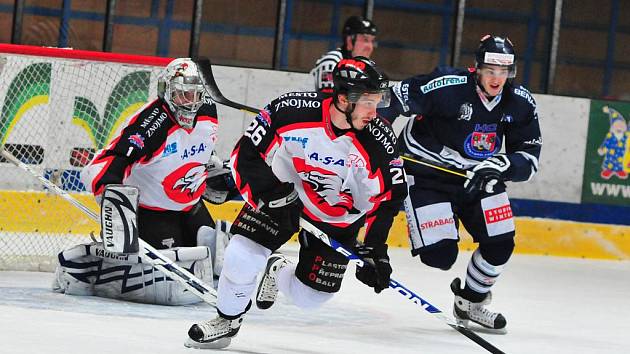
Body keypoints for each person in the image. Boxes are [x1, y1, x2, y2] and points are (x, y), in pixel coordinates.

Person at [184, 57, 408, 349]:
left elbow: (391, 198)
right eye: (368, 102)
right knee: (241, 257)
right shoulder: (290, 109)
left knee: (310, 298)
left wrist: (376, 251)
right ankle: (227, 320)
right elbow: (245, 156)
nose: (374, 111)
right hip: (281, 196)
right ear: (343, 99)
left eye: (377, 102)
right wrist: (273, 195)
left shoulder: (379, 140)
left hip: (337, 217)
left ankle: (279, 270)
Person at [377, 35, 542, 332]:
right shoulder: (447, 85)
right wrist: (376, 133)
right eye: (491, 70)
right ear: (477, 68)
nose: (496, 78)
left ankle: (469, 303)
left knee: (501, 244)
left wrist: (503, 165)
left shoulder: (519, 102)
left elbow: (529, 157)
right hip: (427, 175)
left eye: (503, 72)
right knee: (440, 256)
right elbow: (395, 97)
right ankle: (438, 224)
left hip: (478, 177)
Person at [52, 58, 235, 305]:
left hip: (191, 208)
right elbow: (106, 163)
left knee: (216, 258)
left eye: (194, 95)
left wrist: (209, 169)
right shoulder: (150, 125)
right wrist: (113, 198)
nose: (190, 103)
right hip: (152, 213)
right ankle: (83, 267)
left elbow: (194, 150)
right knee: (174, 276)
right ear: (166, 92)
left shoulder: (208, 112)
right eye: (182, 95)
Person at [310, 15, 378, 94]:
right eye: (365, 40)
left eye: (372, 41)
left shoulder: (366, 68)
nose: (370, 47)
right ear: (349, 40)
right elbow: (327, 101)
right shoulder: (331, 62)